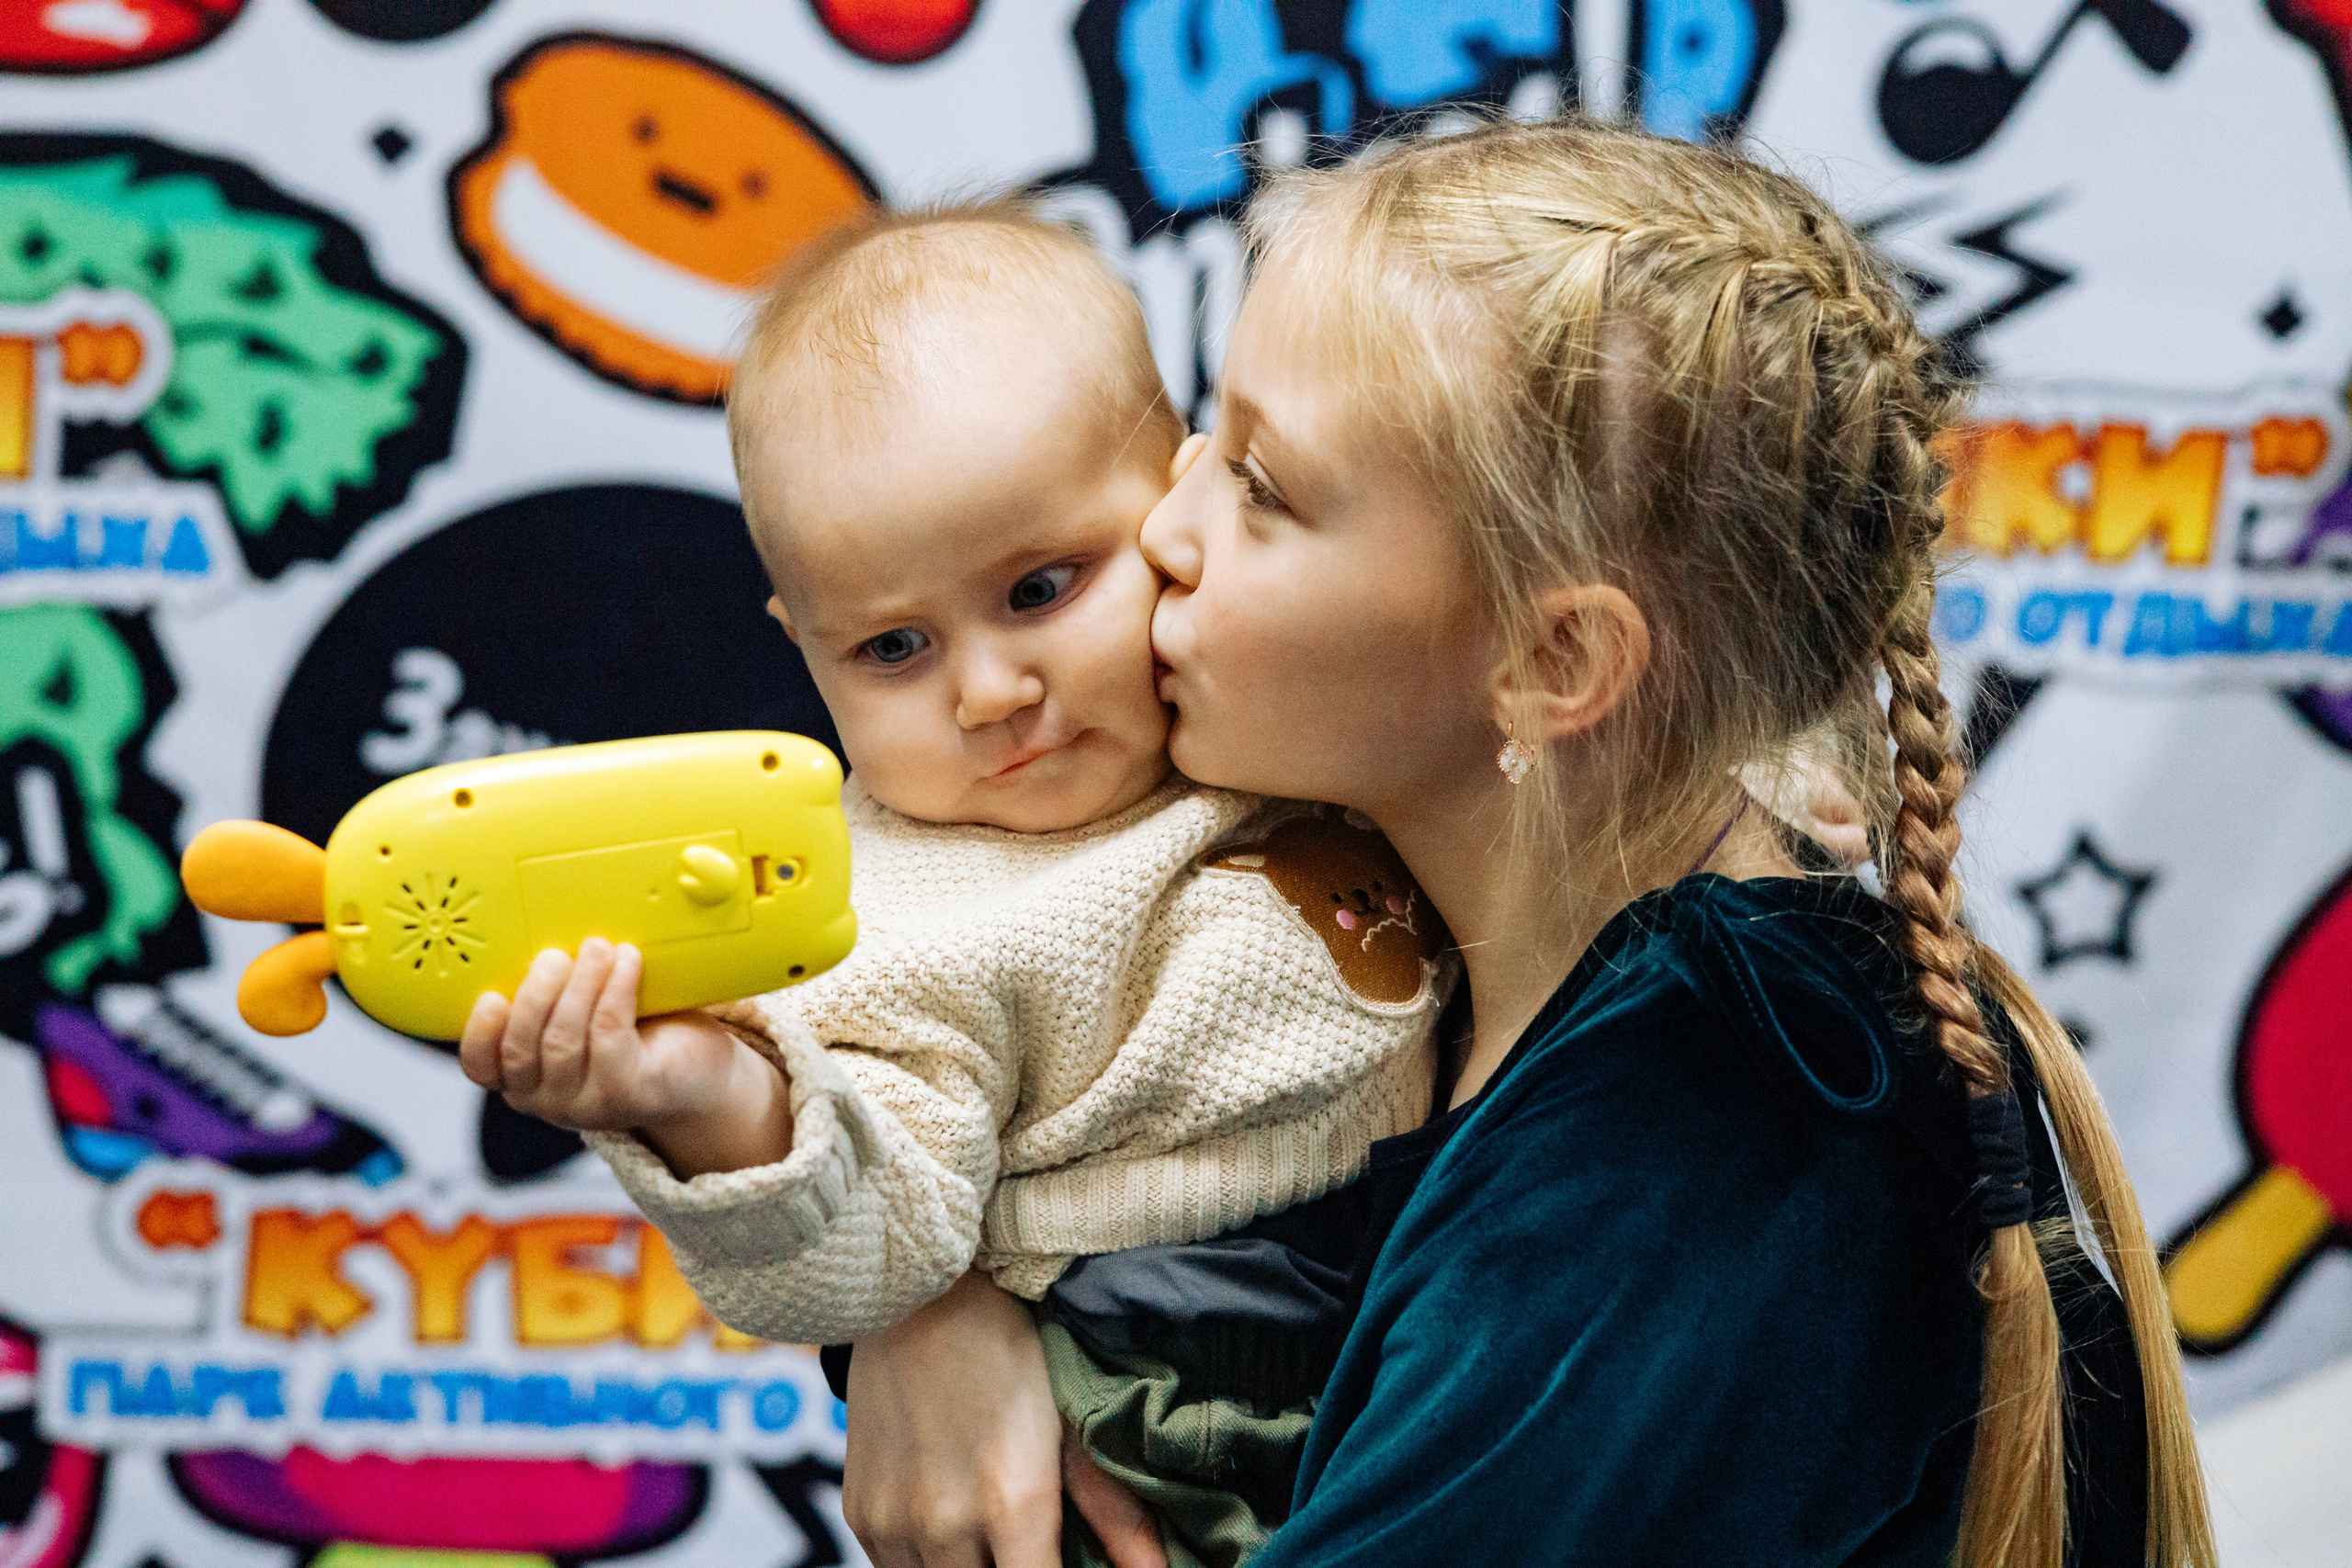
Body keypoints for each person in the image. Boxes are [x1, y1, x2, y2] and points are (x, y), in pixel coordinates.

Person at [830, 118, 2218, 1568]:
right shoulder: (1473, 962)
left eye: (1261, 487)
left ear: (1553, 665)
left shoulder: (1715, 1137)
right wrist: (916, 1303)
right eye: (1204, 432)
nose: (1158, 529)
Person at [456, 198, 1455, 1568]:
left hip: (1411, 1284)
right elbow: (876, 1231)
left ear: (1184, 500)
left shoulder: (1294, 715)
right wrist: (709, 1101)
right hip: (1167, 1389)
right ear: (799, 644)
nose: (990, 693)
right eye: (891, 649)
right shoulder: (899, 916)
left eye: (1042, 586)